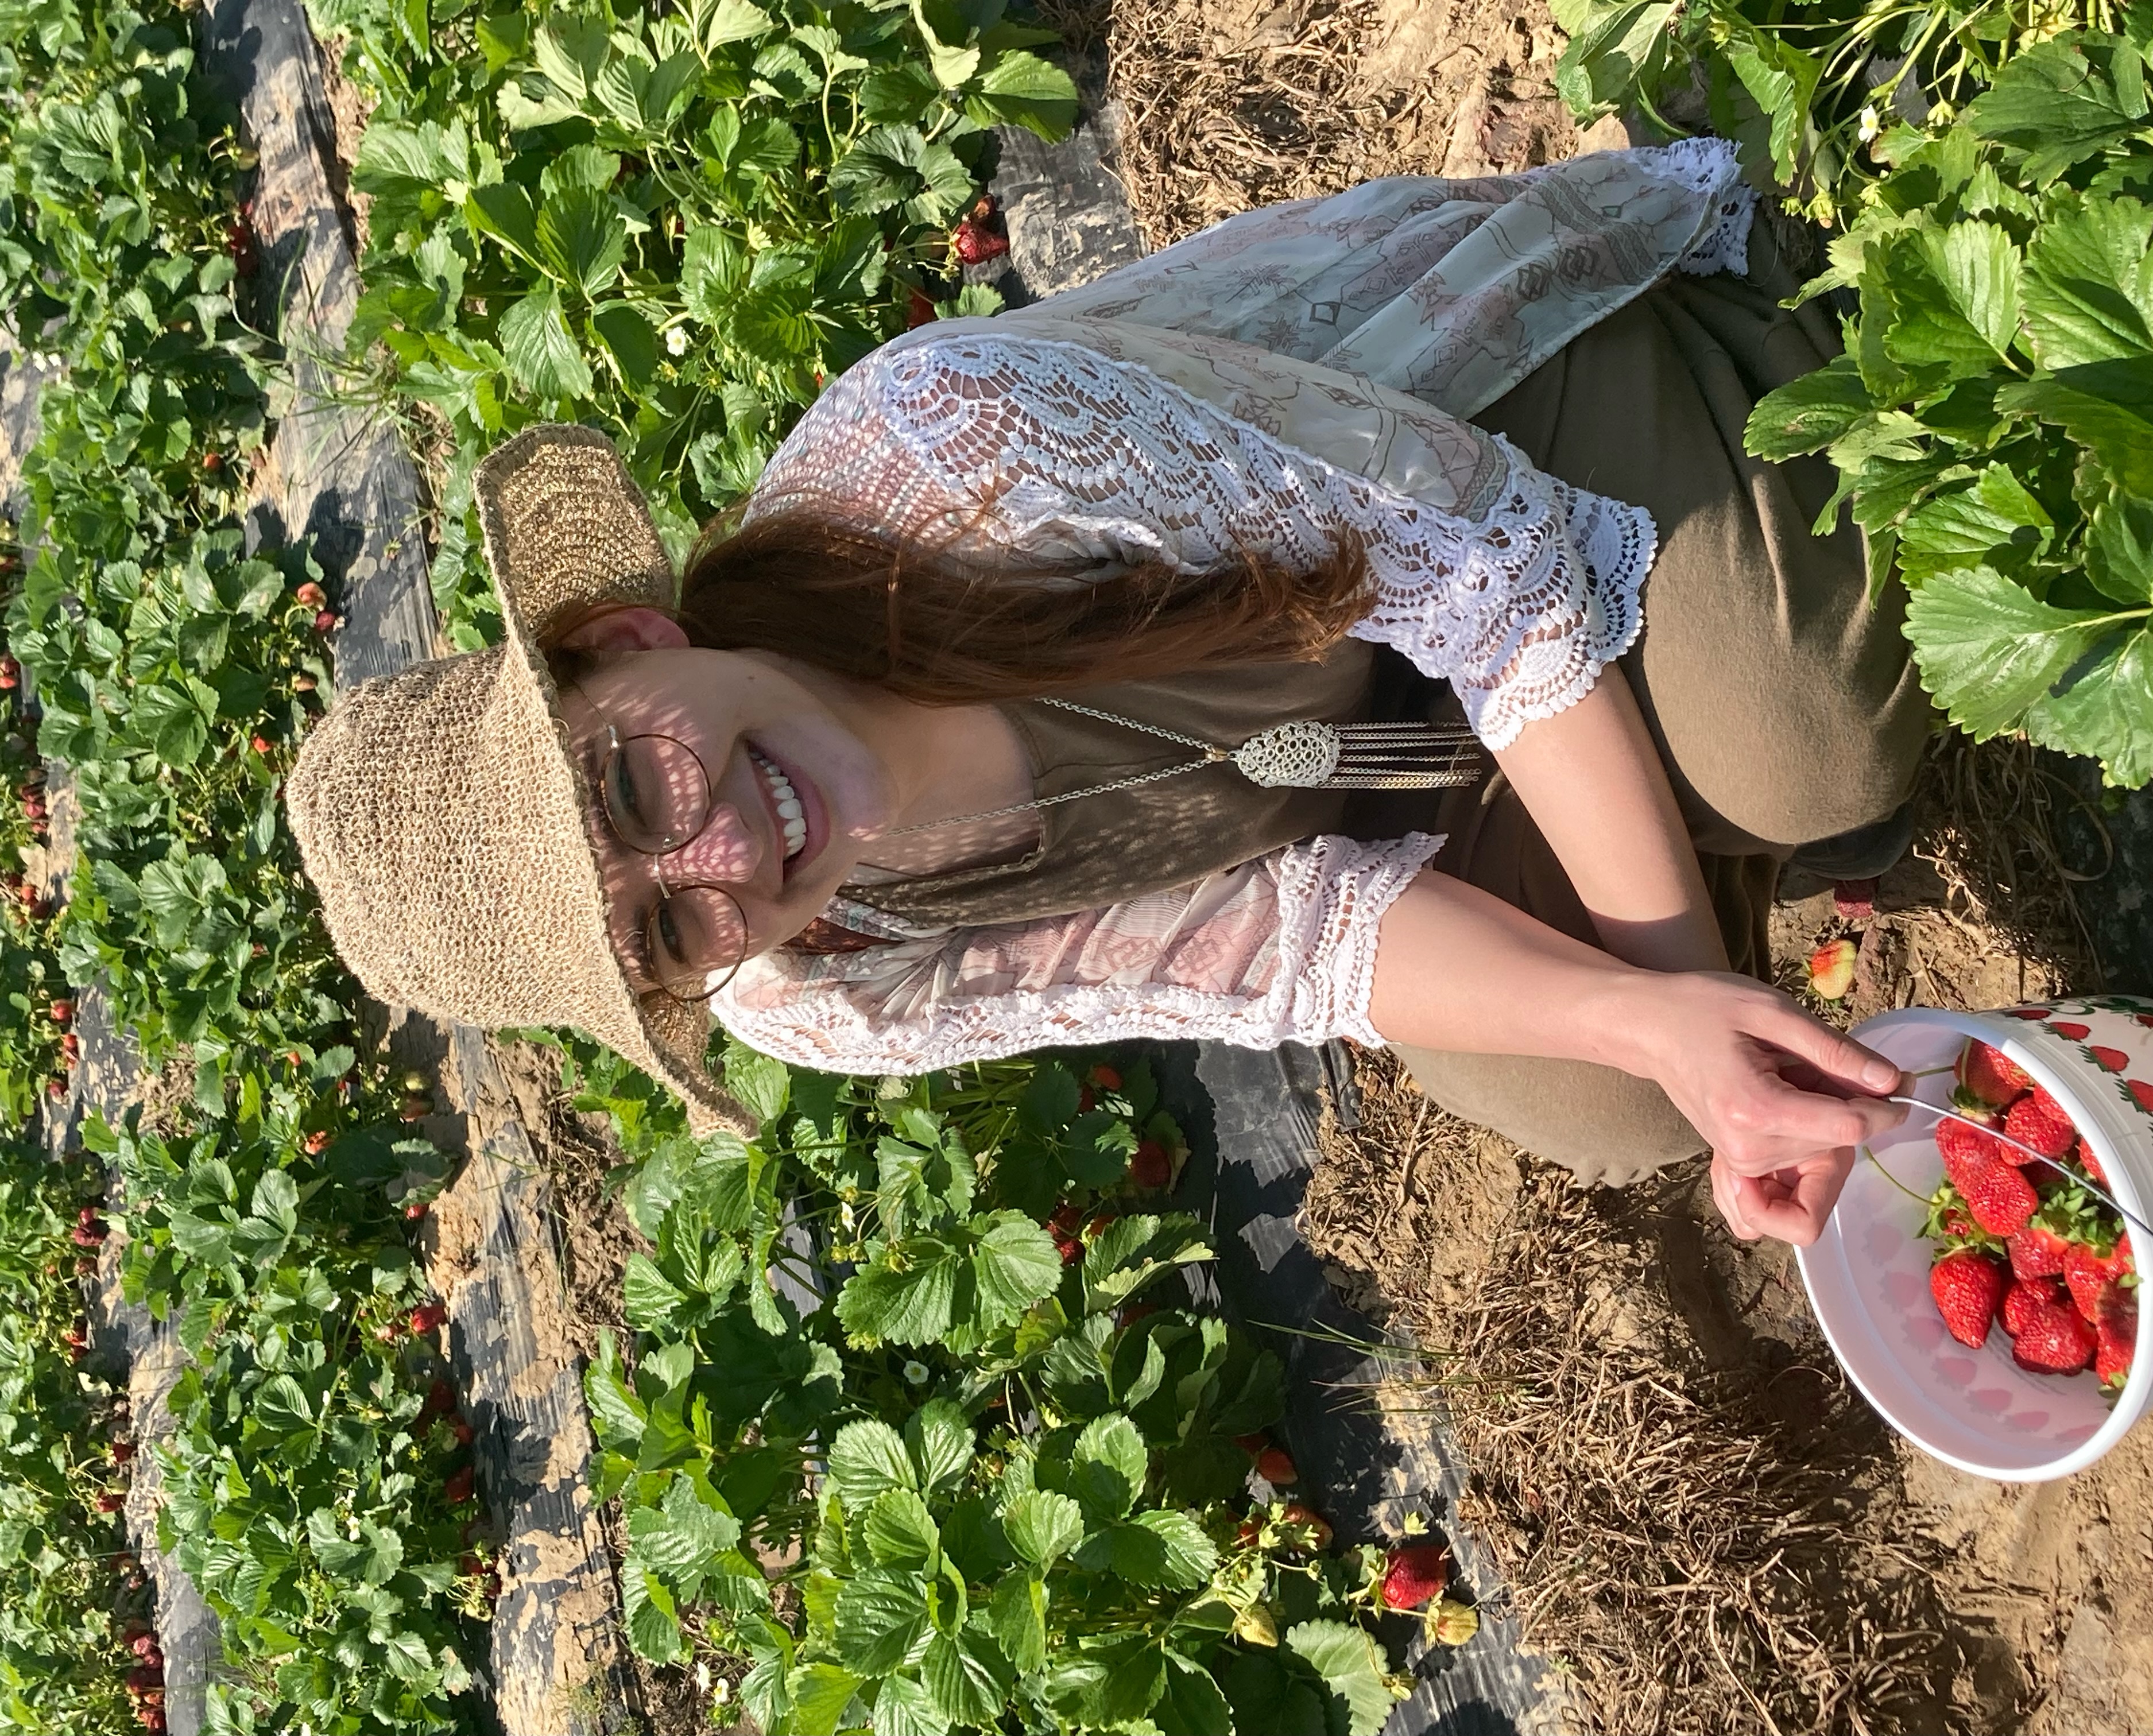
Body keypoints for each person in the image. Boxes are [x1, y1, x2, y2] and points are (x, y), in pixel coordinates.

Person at [286, 137, 1927, 1246]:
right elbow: (1293, 942)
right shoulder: (817, 986)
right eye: (658, 932)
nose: (719, 863)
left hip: (1500, 435)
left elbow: (1477, 564)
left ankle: (1724, 520)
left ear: (634, 654)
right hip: (1369, 735)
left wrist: (1675, 974)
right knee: (1606, 1092)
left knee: (1806, 749)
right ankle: (1692, 827)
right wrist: (1656, 1028)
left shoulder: (951, 466)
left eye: (630, 791)